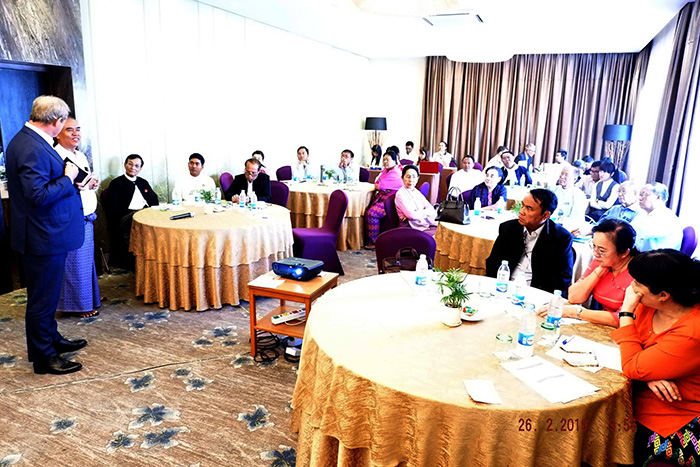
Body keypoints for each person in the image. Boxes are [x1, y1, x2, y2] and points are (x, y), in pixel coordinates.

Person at [5, 95, 86, 375]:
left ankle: (51, 339)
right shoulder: (31, 146)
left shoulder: (31, 139)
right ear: (57, 121)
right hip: (42, 236)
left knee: (47, 296)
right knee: (42, 300)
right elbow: (38, 196)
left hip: (46, 233)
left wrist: (69, 181)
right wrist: (67, 177)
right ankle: (44, 357)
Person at [611, 249, 700, 466]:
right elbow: (627, 345)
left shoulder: (691, 332)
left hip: (673, 413)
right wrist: (646, 375)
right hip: (638, 393)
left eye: (637, 283)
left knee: (603, 436)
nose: (631, 288)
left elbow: (631, 362)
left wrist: (626, 313)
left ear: (663, 295)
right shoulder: (650, 306)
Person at [539, 220, 636, 326]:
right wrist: (598, 271)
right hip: (603, 325)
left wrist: (575, 312)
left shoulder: (638, 274)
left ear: (624, 252)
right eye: (594, 247)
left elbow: (623, 318)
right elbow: (574, 297)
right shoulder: (603, 262)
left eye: (602, 251)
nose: (595, 254)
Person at [53, 117, 101, 318]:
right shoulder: (55, 156)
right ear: (58, 133)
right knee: (75, 262)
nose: (76, 134)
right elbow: (57, 187)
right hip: (72, 217)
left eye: (78, 129)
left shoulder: (79, 155)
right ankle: (77, 306)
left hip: (87, 215)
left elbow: (84, 182)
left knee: (85, 260)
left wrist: (92, 183)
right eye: (69, 130)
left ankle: (88, 299)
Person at [486, 189, 574, 293]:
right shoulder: (508, 228)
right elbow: (492, 263)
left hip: (537, 291)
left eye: (529, 209)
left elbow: (562, 278)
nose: (521, 212)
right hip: (504, 286)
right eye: (522, 205)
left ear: (545, 215)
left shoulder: (560, 238)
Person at [103, 154, 160, 270]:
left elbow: (154, 199)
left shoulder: (143, 182)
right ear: (125, 165)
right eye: (130, 164)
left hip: (146, 214)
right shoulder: (116, 183)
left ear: (140, 169)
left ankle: (154, 259)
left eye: (137, 166)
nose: (133, 168)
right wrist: (138, 213)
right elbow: (115, 206)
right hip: (126, 217)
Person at [364, 150, 403, 249]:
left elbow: (381, 186)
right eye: (384, 159)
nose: (385, 162)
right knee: (366, 209)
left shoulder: (395, 172)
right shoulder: (386, 170)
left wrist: (381, 186)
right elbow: (377, 182)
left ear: (394, 160)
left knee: (372, 214)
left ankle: (374, 242)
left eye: (387, 160)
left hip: (391, 200)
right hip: (384, 197)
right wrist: (381, 186)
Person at [633, 182, 683, 252]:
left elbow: (633, 232)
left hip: (657, 257)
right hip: (645, 253)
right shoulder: (645, 213)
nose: (640, 198)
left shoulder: (665, 217)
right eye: (640, 195)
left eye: (645, 195)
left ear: (658, 197)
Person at [395, 164, 437, 235]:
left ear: (418, 178)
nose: (411, 180)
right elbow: (412, 216)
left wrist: (416, 212)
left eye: (414, 177)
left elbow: (431, 209)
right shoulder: (400, 194)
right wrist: (423, 213)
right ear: (402, 178)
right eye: (408, 177)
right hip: (409, 227)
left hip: (421, 223)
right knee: (436, 237)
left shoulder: (416, 191)